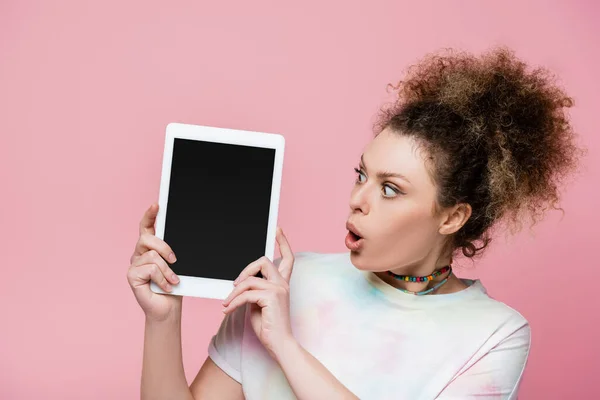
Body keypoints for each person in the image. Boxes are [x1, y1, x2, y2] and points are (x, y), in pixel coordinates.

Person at [127, 46, 582, 399]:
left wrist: (285, 346)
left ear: (452, 216)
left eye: (390, 189)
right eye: (361, 175)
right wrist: (163, 320)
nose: (357, 200)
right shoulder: (284, 283)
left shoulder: (495, 334)